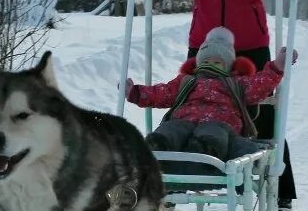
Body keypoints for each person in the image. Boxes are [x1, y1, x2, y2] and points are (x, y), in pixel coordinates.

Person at [157, 0, 298, 211]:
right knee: (187, 104)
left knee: (261, 111)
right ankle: (169, 181)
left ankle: (280, 188)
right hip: (204, 41)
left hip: (248, 40)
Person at [125, 26, 295, 165]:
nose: (210, 65)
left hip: (221, 122)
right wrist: (136, 93)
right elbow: (162, 93)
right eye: (205, 61)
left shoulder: (236, 82)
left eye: (216, 62)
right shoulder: (187, 80)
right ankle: (158, 145)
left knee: (213, 131)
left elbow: (259, 85)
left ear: (228, 66)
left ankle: (205, 150)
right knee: (172, 128)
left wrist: (276, 67)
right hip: (184, 120)